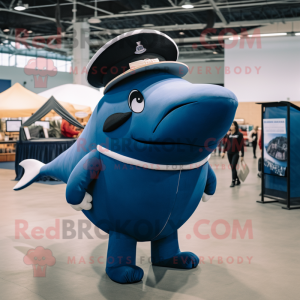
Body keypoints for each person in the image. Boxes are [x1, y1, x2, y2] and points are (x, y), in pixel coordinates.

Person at [221, 121, 244, 187]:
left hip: (236, 153)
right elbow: (226, 144)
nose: (231, 126)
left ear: (235, 126)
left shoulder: (239, 134)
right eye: (231, 125)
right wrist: (223, 152)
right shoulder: (229, 135)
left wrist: (242, 155)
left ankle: (233, 181)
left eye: (232, 125)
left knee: (233, 167)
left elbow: (241, 145)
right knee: (232, 168)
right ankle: (238, 180)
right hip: (229, 153)